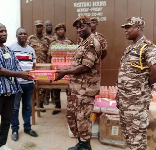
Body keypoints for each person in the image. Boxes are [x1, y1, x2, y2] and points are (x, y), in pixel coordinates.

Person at [0, 23, 33, 150]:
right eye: (0, 31)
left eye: (5, 31)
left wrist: (30, 75)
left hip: (10, 90)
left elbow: (17, 67)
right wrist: (19, 73)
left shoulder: (8, 50)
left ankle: (1, 144)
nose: (4, 33)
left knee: (7, 119)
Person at [55, 16, 101, 150]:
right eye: (77, 27)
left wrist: (65, 72)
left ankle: (86, 146)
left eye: (82, 26)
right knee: (75, 116)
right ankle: (82, 143)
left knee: (83, 118)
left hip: (85, 89)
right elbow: (77, 64)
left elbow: (85, 67)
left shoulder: (92, 43)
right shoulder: (83, 43)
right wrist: (65, 69)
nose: (79, 29)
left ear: (89, 26)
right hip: (77, 87)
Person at [116, 17, 156, 150]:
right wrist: (119, 94)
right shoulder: (130, 48)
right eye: (125, 27)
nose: (125, 30)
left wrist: (144, 84)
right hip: (125, 101)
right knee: (128, 134)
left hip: (136, 102)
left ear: (139, 28)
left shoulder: (147, 47)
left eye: (128, 27)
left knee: (137, 137)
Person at [9, 27, 38, 141]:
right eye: (20, 34)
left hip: (29, 84)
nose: (23, 35)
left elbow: (34, 66)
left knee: (27, 107)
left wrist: (34, 81)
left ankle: (27, 127)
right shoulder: (11, 48)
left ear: (27, 36)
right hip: (16, 84)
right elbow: (9, 66)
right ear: (16, 36)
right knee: (15, 108)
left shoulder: (31, 50)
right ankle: (15, 129)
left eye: (24, 34)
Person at [47, 23, 74, 115]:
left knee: (68, 89)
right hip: (56, 68)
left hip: (67, 68)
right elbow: (49, 56)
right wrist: (49, 67)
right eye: (58, 30)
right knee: (56, 89)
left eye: (62, 29)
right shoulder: (53, 43)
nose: (60, 31)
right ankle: (57, 106)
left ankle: (70, 107)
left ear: (65, 31)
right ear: (56, 32)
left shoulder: (70, 42)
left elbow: (74, 55)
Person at [27, 20, 50, 112]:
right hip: (33, 65)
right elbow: (27, 50)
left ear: (42, 28)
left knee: (43, 86)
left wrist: (48, 65)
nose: (39, 28)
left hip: (43, 65)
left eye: (40, 26)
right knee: (33, 85)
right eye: (37, 26)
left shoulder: (47, 40)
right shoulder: (31, 39)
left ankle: (40, 103)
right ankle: (33, 103)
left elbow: (49, 53)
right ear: (35, 28)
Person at [44, 20, 56, 105]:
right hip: (44, 61)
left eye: (50, 25)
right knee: (46, 80)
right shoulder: (43, 37)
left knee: (54, 79)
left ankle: (54, 99)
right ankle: (46, 98)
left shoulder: (55, 36)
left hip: (54, 60)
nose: (49, 26)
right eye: (47, 25)